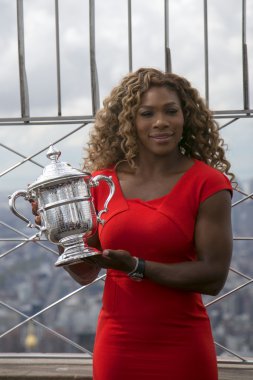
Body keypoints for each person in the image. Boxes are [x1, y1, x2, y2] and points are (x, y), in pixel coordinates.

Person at [33, 67, 234, 379]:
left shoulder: (208, 183)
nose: (161, 122)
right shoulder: (102, 182)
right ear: (128, 121)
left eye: (171, 111)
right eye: (146, 113)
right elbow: (85, 272)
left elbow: (213, 277)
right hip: (118, 343)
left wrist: (137, 267)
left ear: (186, 117)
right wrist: (59, 229)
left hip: (183, 344)